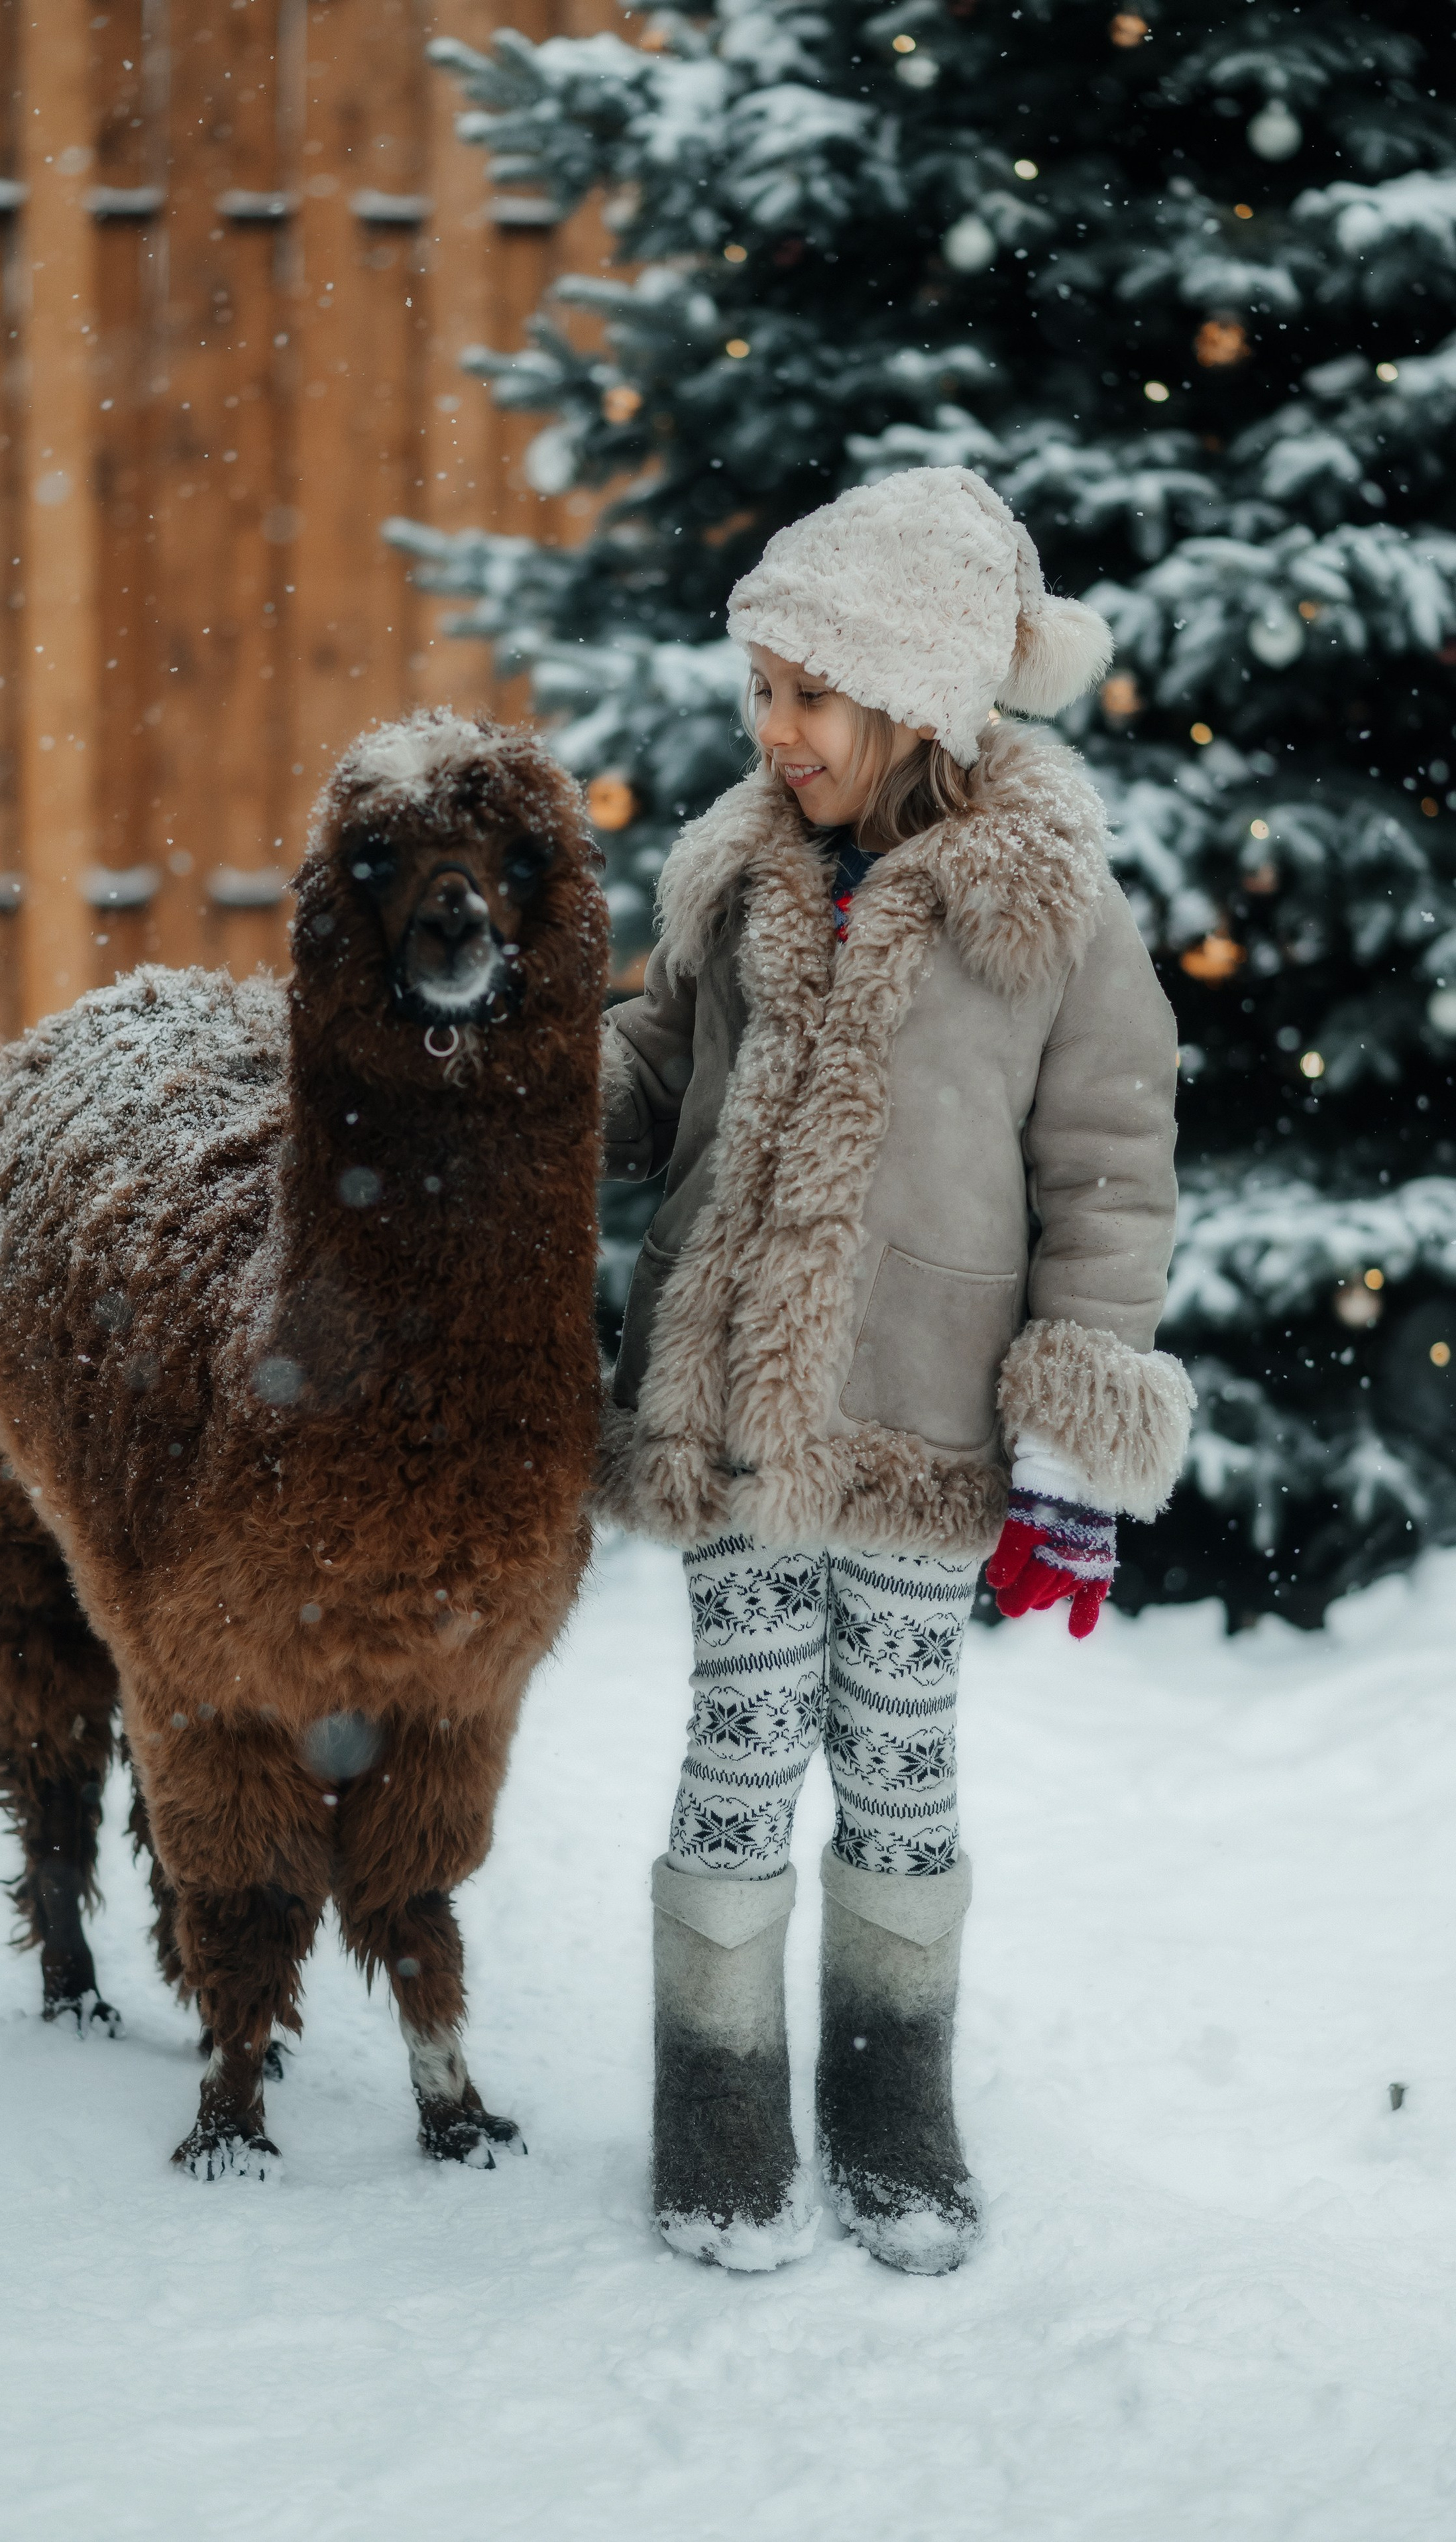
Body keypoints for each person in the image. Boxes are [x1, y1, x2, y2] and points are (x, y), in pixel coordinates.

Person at [598, 465, 1192, 2274]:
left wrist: (1082, 1413)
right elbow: (649, 1061)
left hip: (930, 1430)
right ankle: (718, 2105)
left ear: (923, 693)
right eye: (762, 692)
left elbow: (1110, 1166)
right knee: (742, 1743)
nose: (776, 732)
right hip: (732, 1422)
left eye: (811, 696)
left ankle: (892, 2101)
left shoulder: (1053, 918)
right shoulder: (732, 876)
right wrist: (533, 1102)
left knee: (903, 1762)